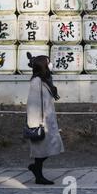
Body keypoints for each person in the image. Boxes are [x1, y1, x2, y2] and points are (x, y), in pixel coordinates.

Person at [26, 53, 64, 185]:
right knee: (42, 150)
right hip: (40, 122)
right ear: (43, 65)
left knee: (48, 148)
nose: (50, 64)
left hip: (47, 120)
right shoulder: (36, 82)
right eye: (48, 62)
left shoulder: (45, 79)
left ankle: (36, 170)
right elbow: (32, 103)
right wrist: (34, 123)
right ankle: (38, 174)